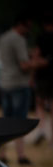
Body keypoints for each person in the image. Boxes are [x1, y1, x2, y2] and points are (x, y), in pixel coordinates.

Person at [0, 16, 49, 164]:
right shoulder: (19, 39)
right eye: (28, 27)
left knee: (5, 121)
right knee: (19, 121)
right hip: (19, 83)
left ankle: (2, 153)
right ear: (21, 25)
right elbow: (24, 65)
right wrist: (42, 63)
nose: (29, 30)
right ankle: (21, 155)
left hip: (5, 82)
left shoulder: (3, 38)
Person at [33, 15, 53, 145]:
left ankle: (41, 130)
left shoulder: (41, 37)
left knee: (39, 103)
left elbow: (36, 56)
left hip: (42, 75)